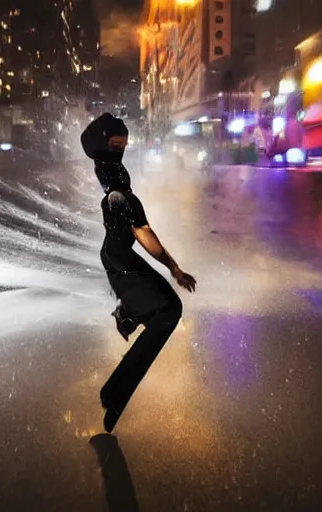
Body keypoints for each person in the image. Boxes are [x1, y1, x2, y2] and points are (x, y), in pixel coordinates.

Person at [81, 113, 197, 433]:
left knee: (168, 309)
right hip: (120, 262)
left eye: (123, 143)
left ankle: (128, 313)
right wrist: (173, 268)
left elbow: (142, 229)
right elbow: (143, 232)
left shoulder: (119, 188)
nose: (122, 148)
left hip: (119, 258)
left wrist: (173, 268)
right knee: (169, 310)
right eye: (116, 143)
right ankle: (116, 386)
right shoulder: (118, 194)